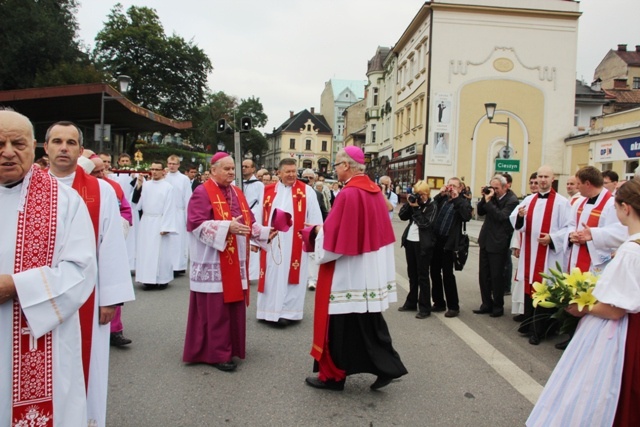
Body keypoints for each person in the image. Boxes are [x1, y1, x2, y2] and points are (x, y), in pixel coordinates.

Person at [0, 110, 97, 426]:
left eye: (18, 143)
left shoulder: (64, 201)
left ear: (32, 147)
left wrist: (16, 286)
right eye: (0, 143)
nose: (9, 152)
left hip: (42, 337)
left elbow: (81, 270)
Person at [526, 179, 640, 427]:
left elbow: (615, 309)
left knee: (596, 392)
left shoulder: (632, 251)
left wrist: (582, 307)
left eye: (617, 206)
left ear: (626, 209)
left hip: (620, 334)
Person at [44, 121, 135, 427]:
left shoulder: (101, 191)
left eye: (71, 142)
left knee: (87, 366)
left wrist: (110, 299)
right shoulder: (30, 186)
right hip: (42, 292)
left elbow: (110, 244)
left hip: (88, 293)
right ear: (46, 148)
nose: (64, 147)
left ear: (81, 151)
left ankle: (87, 419)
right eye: (57, 141)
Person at [304, 146, 407, 391]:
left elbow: (335, 239)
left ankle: (333, 376)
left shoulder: (349, 194)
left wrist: (315, 232)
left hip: (347, 272)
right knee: (367, 323)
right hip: (367, 270)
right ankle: (388, 366)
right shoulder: (373, 190)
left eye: (337, 165)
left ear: (347, 166)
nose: (335, 169)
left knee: (340, 325)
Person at [183, 153, 272, 371]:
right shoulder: (202, 192)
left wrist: (266, 232)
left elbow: (248, 221)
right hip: (213, 258)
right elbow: (195, 224)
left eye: (233, 169)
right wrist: (226, 228)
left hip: (235, 259)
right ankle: (216, 353)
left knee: (231, 308)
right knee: (216, 310)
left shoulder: (237, 193)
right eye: (227, 169)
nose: (232, 172)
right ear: (213, 170)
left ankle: (230, 348)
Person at [509, 166, 571, 345]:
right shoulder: (528, 200)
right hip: (531, 252)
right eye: (540, 176)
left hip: (549, 255)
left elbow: (569, 227)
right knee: (530, 289)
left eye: (546, 177)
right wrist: (520, 216)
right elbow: (515, 221)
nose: (543, 180)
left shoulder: (561, 202)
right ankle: (529, 325)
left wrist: (552, 238)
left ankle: (540, 330)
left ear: (553, 179)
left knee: (544, 291)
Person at [257, 159, 323, 326]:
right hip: (272, 243)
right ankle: (267, 310)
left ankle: (289, 313)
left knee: (292, 277)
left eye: (294, 171)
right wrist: (257, 238)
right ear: (279, 173)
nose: (292, 174)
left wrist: (314, 241)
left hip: (296, 244)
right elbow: (259, 215)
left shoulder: (307, 191)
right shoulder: (267, 191)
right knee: (271, 275)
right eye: (288, 171)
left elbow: (315, 219)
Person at [89, 156, 134, 348]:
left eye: (103, 170)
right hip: (86, 246)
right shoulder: (77, 188)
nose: (101, 174)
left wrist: (116, 229)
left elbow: (125, 210)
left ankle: (115, 330)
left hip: (108, 242)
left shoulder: (113, 187)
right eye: (96, 171)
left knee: (111, 283)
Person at [474, 174, 519, 317]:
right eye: (492, 187)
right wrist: (484, 197)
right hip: (486, 240)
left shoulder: (512, 200)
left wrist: (489, 202)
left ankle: (498, 306)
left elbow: (501, 216)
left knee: (496, 276)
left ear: (506, 187)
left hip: (499, 243)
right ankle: (486, 303)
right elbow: (480, 211)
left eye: (497, 188)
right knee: (484, 275)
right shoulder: (490, 197)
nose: (494, 191)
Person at [430, 177, 472, 318]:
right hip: (436, 241)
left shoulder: (463, 202)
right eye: (449, 185)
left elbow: (466, 216)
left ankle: (453, 306)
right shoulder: (443, 200)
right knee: (434, 272)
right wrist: (441, 193)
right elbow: (431, 206)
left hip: (450, 243)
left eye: (454, 186)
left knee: (447, 274)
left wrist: (456, 198)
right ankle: (438, 302)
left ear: (460, 188)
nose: (451, 188)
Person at [132, 161, 177, 290]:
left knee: (161, 252)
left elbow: (169, 207)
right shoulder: (146, 185)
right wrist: (139, 187)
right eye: (152, 169)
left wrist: (166, 226)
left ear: (163, 171)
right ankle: (147, 279)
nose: (154, 172)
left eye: (157, 169)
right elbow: (136, 205)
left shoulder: (167, 187)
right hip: (147, 221)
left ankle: (162, 279)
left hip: (160, 221)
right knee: (146, 251)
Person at [398, 180, 437, 318]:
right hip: (410, 242)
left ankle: (425, 307)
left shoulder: (432, 206)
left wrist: (416, 208)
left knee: (423, 276)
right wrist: (410, 204)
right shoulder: (415, 203)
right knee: (412, 275)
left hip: (423, 244)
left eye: (422, 194)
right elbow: (402, 216)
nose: (419, 197)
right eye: (417, 194)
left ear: (427, 194)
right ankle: (411, 302)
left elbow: (425, 224)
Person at [164, 154, 192, 276]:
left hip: (179, 212)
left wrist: (188, 217)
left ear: (178, 165)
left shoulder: (184, 179)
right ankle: (167, 264)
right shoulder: (164, 177)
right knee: (168, 239)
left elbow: (188, 198)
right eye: (170, 163)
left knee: (179, 241)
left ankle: (178, 265)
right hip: (166, 212)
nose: (172, 166)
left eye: (174, 164)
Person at [242, 158, 265, 283]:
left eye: (246, 166)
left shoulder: (259, 185)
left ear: (253, 169)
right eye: (242, 166)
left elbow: (261, 203)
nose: (244, 168)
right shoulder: (236, 181)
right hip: (238, 215)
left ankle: (250, 274)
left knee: (251, 245)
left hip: (253, 215)